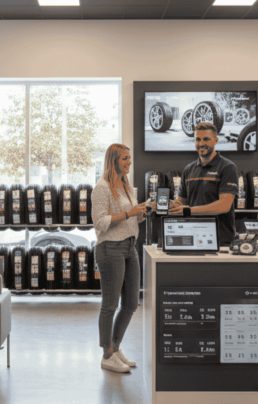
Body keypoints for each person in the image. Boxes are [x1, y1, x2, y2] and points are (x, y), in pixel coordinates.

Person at [91, 143, 152, 373]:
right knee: (110, 304)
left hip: (129, 247)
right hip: (110, 249)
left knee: (131, 303)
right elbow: (100, 222)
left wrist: (143, 211)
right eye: (125, 159)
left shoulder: (127, 186)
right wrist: (129, 213)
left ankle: (116, 348)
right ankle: (106, 354)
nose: (129, 162)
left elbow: (133, 220)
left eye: (130, 158)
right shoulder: (102, 188)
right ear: (114, 160)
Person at [170, 122, 238, 245]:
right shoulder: (188, 170)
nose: (201, 143)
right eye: (198, 139)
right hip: (192, 238)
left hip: (220, 240)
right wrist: (169, 206)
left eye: (206, 139)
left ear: (216, 140)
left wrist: (189, 211)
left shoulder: (227, 167)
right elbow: (181, 203)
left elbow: (224, 205)